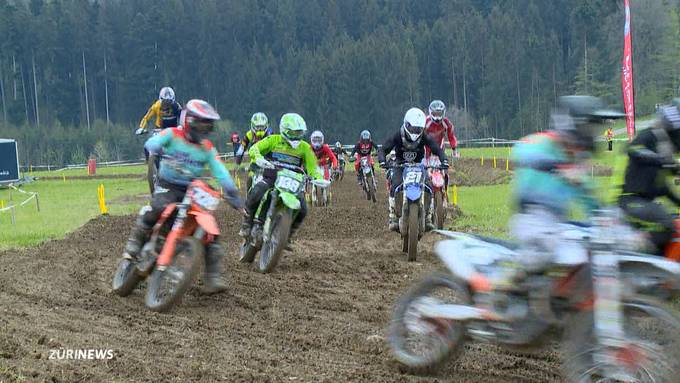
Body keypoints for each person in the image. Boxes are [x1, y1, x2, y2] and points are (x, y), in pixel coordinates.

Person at [122, 99, 243, 294]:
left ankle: (213, 276)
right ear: (189, 120)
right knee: (158, 208)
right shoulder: (173, 134)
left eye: (207, 124)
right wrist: (156, 147)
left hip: (192, 190)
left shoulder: (207, 148)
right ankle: (134, 245)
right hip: (168, 185)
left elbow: (221, 171)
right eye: (200, 123)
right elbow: (151, 143)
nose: (204, 128)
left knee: (209, 230)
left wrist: (232, 192)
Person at [504, 95, 624, 288]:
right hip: (532, 218)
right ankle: (507, 284)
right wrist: (554, 165)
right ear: (574, 125)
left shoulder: (575, 158)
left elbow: (587, 195)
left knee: (587, 252)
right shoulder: (543, 143)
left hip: (558, 221)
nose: (593, 134)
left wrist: (605, 215)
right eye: (589, 128)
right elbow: (522, 150)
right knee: (545, 254)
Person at [239, 113, 322, 240]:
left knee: (303, 209)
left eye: (299, 133)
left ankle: (288, 235)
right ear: (285, 130)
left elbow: (313, 167)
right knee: (258, 191)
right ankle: (247, 222)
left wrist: (318, 178)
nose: (296, 136)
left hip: (294, 181)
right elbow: (255, 148)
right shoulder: (273, 139)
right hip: (272, 176)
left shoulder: (304, 147)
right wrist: (259, 158)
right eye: (293, 133)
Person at [619, 99, 680, 254]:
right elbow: (633, 149)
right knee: (667, 223)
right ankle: (633, 246)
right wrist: (662, 160)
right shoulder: (649, 135)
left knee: (674, 222)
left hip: (645, 202)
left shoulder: (666, 149)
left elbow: (663, 188)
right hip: (631, 200)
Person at [378, 108, 449, 231]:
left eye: (418, 129)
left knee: (428, 185)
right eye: (413, 129)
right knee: (395, 184)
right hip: (400, 165)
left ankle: (428, 217)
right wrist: (382, 160)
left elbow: (437, 148)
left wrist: (444, 160)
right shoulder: (398, 135)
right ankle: (393, 216)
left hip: (419, 165)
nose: (415, 132)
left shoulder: (423, 137)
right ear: (406, 125)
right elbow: (384, 149)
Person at [235, 112, 272, 190]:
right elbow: (241, 148)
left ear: (266, 126)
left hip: (269, 162)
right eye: (257, 127)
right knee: (250, 179)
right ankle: (249, 199)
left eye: (262, 127)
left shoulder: (271, 135)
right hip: (255, 162)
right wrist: (237, 162)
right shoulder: (249, 134)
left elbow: (277, 148)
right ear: (253, 126)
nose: (259, 130)